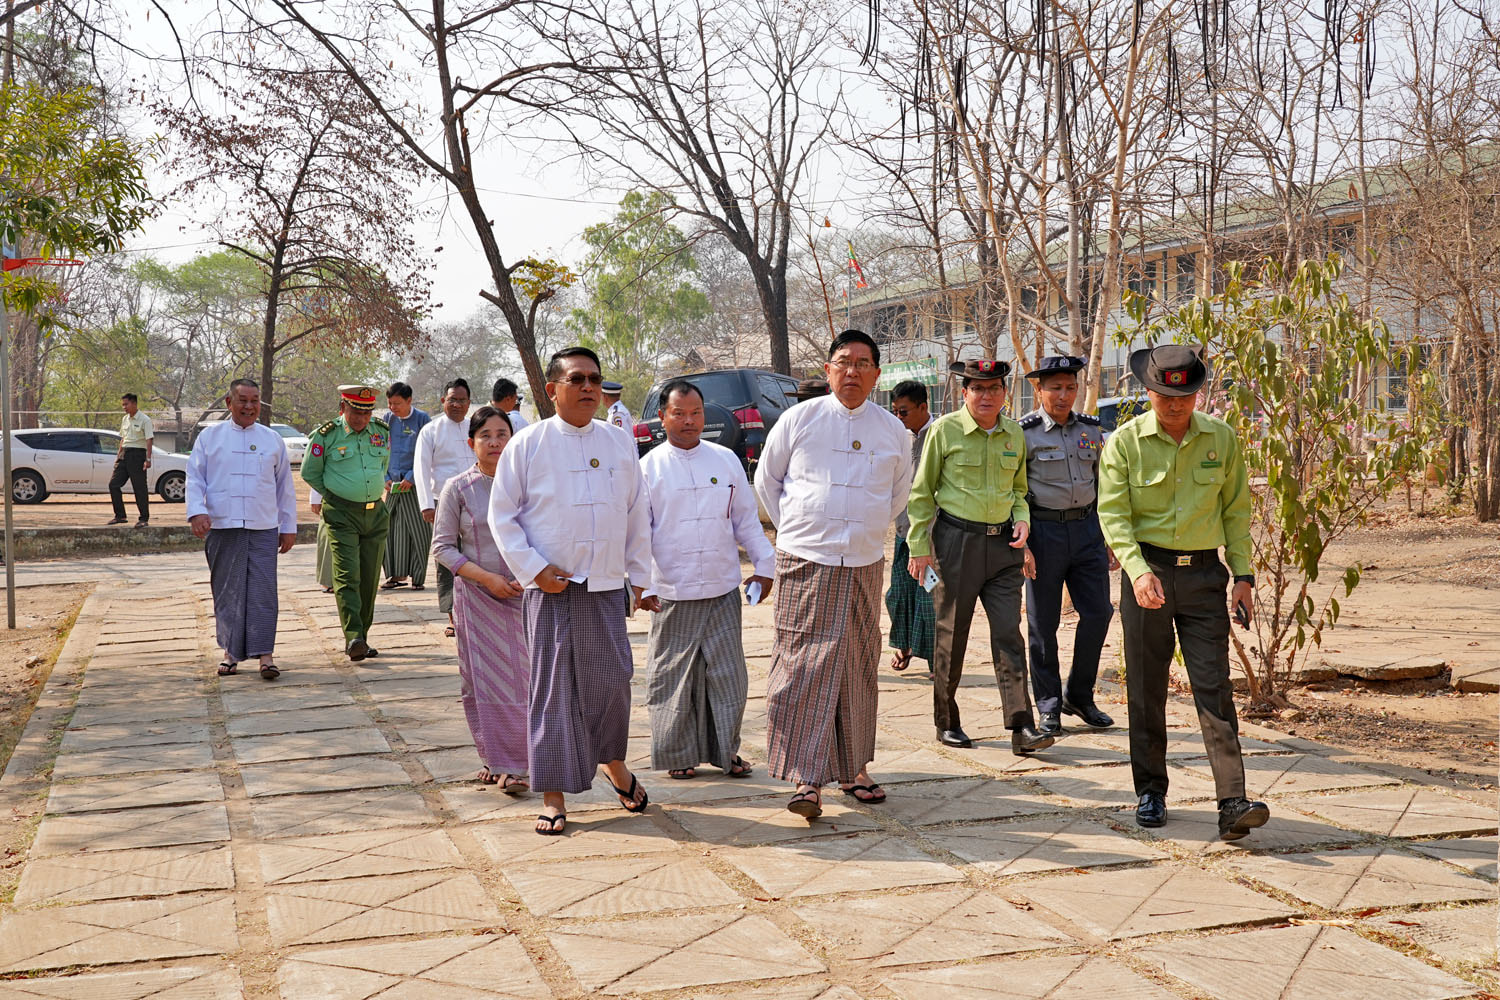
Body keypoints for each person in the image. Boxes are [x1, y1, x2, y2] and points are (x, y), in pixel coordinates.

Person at [1097, 343, 1270, 841]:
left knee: (1213, 684)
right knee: (1147, 686)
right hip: (1147, 573)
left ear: (1197, 393)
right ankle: (1150, 790)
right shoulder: (1126, 443)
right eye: (1164, 396)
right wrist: (1135, 570)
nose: (1175, 405)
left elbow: (1237, 511)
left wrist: (1243, 576)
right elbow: (1114, 515)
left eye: (1186, 396)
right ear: (1148, 391)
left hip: (1203, 576)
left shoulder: (1222, 438)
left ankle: (1232, 800)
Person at [488, 347, 653, 836]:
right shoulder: (528, 444)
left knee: (612, 685)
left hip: (604, 586)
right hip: (550, 589)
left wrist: (640, 575)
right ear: (551, 389)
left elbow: (635, 512)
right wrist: (534, 569)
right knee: (553, 693)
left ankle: (614, 765)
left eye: (594, 380)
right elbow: (503, 516)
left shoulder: (619, 443)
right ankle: (554, 796)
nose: (588, 388)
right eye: (577, 379)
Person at [755, 330, 913, 819]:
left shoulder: (894, 432)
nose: (852, 371)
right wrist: (801, 531)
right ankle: (806, 777)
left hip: (864, 561)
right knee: (803, 664)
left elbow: (897, 496)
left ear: (877, 375)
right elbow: (767, 482)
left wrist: (859, 533)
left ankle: (854, 768)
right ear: (828, 369)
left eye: (864, 363)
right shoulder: (798, 420)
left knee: (858, 663)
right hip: (805, 560)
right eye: (843, 361)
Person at [906, 359, 1053, 756]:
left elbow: (1019, 491)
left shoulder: (1014, 434)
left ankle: (1022, 727)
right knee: (952, 635)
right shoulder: (944, 431)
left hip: (1003, 546)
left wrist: (1022, 524)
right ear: (965, 392)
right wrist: (919, 548)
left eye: (994, 389)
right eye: (978, 389)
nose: (986, 396)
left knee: (1009, 633)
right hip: (956, 544)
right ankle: (947, 721)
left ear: (1005, 393)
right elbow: (922, 494)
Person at [639, 380, 775, 781]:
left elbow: (745, 520)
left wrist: (764, 565)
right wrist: (642, 584)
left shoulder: (726, 460)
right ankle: (677, 753)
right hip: (671, 589)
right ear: (662, 418)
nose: (689, 421)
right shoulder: (648, 467)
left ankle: (726, 752)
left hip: (721, 586)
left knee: (728, 675)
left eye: (696, 412)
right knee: (671, 677)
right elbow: (638, 533)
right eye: (678, 413)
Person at [433, 406, 530, 792]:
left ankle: (522, 756)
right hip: (477, 599)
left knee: (526, 680)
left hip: (525, 595)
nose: (494, 442)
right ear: (471, 443)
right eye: (485, 435)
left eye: (501, 434)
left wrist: (529, 574)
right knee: (486, 683)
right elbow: (442, 548)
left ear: (513, 439)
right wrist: (487, 578)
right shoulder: (457, 488)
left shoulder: (527, 484)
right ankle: (501, 761)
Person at [1019, 356, 1117, 736]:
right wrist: (1023, 543)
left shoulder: (1091, 430)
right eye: (1055, 388)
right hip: (1043, 534)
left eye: (1070, 387)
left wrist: (1106, 535)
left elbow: (1103, 485)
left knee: (1098, 613)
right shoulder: (1023, 433)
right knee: (1044, 623)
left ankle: (1079, 694)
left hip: (1087, 531)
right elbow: (1015, 490)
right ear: (1039, 390)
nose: (1064, 395)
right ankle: (1048, 705)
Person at [187, 378, 298, 681]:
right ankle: (230, 653)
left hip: (263, 526)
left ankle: (266, 656)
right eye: (243, 400)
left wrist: (288, 526)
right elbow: (194, 478)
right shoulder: (210, 438)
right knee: (227, 592)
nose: (249, 407)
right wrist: (197, 512)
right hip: (222, 525)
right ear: (229, 403)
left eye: (254, 401)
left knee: (263, 592)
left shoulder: (271, 439)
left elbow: (284, 487)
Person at [302, 385, 391, 661]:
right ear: (343, 407)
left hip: (374, 513)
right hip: (341, 513)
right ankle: (353, 636)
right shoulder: (326, 435)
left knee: (369, 578)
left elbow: (382, 466)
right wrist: (335, 495)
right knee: (347, 575)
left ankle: (362, 636)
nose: (361, 418)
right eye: (355, 411)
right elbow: (310, 472)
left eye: (366, 412)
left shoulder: (381, 432)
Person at [885, 380, 937, 677]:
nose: (898, 417)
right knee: (898, 594)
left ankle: (935, 660)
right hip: (903, 530)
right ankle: (903, 647)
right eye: (895, 411)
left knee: (929, 596)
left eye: (903, 412)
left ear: (922, 407)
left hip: (932, 535)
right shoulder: (898, 438)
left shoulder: (941, 435)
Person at [415, 378, 474, 635]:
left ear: (469, 403)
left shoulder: (476, 428)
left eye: (462, 400)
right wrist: (427, 504)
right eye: (452, 400)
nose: (457, 405)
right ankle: (453, 616)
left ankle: (475, 613)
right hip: (443, 502)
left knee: (476, 557)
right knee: (448, 559)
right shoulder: (431, 430)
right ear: (443, 401)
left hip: (476, 501)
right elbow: (421, 468)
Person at [379, 381, 432, 591]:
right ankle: (395, 575)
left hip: (415, 484)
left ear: (409, 400)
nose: (393, 408)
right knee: (390, 529)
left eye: (397, 403)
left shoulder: (422, 419)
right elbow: (380, 449)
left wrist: (412, 477)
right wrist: (385, 478)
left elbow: (427, 452)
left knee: (419, 531)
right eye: (390, 403)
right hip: (393, 485)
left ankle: (417, 577)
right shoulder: (386, 420)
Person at [107, 393, 153, 526]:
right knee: (113, 484)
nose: (124, 407)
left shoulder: (145, 420)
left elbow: (149, 440)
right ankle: (120, 515)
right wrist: (118, 455)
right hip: (124, 454)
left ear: (134, 404)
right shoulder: (125, 419)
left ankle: (143, 518)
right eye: (123, 405)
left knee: (139, 488)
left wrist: (148, 459)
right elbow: (123, 438)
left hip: (137, 455)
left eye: (126, 404)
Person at [309, 489, 333, 593]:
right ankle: (329, 580)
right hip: (332, 497)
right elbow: (314, 474)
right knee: (328, 536)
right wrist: (316, 498)